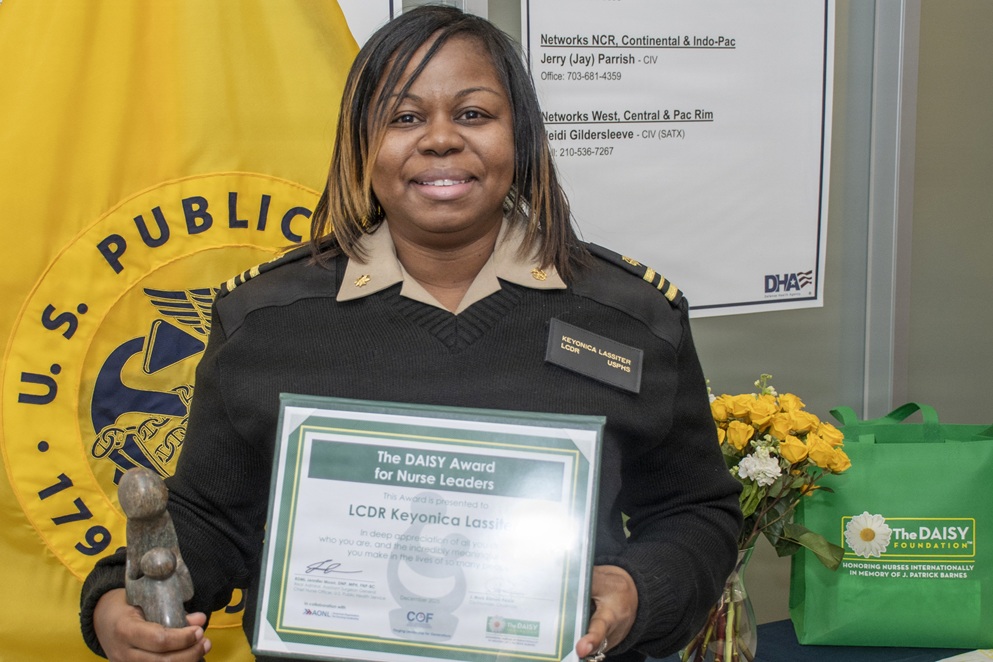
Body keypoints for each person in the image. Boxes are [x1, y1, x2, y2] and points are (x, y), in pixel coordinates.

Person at [80, 6, 741, 661]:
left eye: (474, 114)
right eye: (403, 117)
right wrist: (118, 603)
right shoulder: (264, 320)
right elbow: (208, 517)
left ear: (525, 138)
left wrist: (637, 589)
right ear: (360, 144)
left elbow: (696, 511)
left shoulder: (630, 315)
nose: (440, 139)